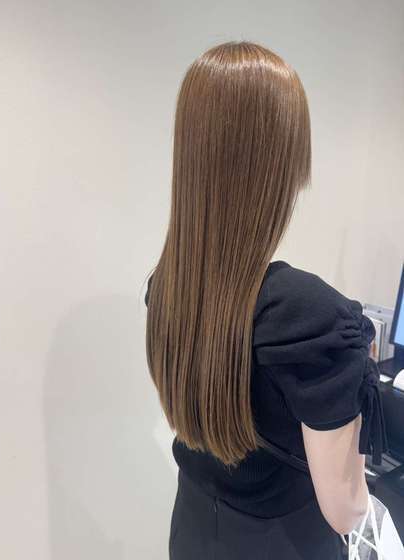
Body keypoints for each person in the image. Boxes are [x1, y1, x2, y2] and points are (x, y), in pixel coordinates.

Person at [144, 40, 389, 560]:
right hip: (281, 544)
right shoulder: (308, 315)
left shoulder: (171, 284)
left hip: (192, 526)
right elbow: (346, 510)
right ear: (282, 164)